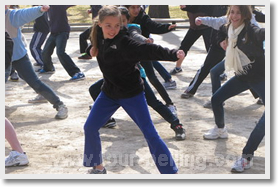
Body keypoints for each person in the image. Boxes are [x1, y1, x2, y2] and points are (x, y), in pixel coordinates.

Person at [83, 6, 185, 174]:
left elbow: (148, 50)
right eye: (108, 25)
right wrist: (90, 49)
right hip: (108, 93)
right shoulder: (98, 35)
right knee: (90, 127)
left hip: (132, 94)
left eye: (117, 25)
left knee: (150, 134)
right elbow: (92, 43)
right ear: (100, 24)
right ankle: (97, 167)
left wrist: (173, 53)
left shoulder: (125, 42)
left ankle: (170, 173)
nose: (113, 30)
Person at [202, 5, 265, 173]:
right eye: (232, 12)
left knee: (267, 119)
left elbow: (262, 34)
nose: (234, 16)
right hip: (242, 76)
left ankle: (247, 156)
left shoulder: (251, 30)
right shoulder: (228, 27)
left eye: (238, 12)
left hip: (261, 78)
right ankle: (221, 129)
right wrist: (221, 40)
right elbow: (220, 31)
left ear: (245, 15)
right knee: (216, 99)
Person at [5, 5, 68, 119]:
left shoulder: (11, 15)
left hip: (18, 56)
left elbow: (25, 13)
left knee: (33, 81)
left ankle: (60, 105)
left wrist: (40, 9)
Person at [125, 5, 178, 114]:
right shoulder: (122, 16)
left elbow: (153, 27)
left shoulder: (143, 18)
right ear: (127, 8)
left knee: (152, 77)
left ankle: (169, 104)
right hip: (126, 53)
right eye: (133, 7)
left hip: (143, 51)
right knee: (114, 77)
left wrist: (166, 27)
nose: (136, 10)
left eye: (138, 7)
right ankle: (102, 103)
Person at [180, 5, 228, 99]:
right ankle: (192, 90)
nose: (235, 15)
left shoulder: (245, 14)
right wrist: (201, 19)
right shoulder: (223, 16)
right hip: (218, 42)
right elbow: (215, 20)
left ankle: (260, 94)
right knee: (208, 67)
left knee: (244, 69)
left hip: (239, 44)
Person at [169, 5, 219, 75]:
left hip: (207, 26)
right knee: (184, 46)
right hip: (194, 27)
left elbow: (200, 7)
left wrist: (186, 7)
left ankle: (219, 71)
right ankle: (178, 68)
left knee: (211, 50)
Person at [39, 5, 85, 81]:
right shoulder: (47, 7)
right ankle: (48, 68)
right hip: (53, 33)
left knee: (60, 52)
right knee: (45, 52)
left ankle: (77, 72)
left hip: (62, 32)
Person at [29, 5, 50, 71]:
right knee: (36, 47)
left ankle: (44, 65)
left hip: (41, 29)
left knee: (34, 47)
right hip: (41, 29)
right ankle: (41, 62)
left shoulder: (40, 6)